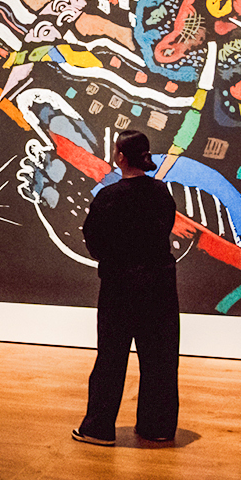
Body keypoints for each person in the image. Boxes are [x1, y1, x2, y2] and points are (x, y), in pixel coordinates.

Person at [74, 129, 180, 446]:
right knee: (159, 358)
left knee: (110, 358)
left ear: (120, 157)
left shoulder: (108, 197)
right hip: (159, 286)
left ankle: (98, 428)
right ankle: (156, 427)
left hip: (120, 287)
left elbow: (94, 242)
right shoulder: (162, 193)